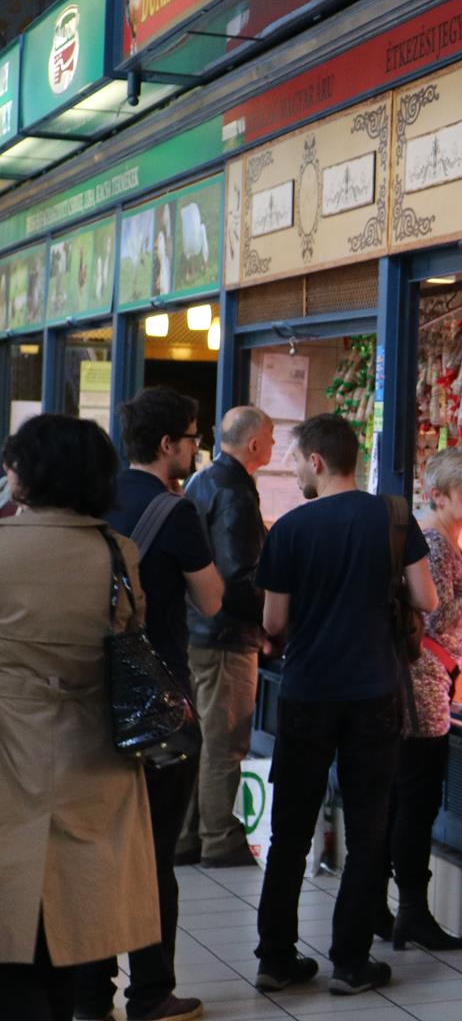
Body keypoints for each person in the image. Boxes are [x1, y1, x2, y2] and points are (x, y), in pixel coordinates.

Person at [254, 414, 436, 997]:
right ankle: (351, 963)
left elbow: (273, 622)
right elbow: (427, 598)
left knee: (290, 831)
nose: (293, 470)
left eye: (294, 460)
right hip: (374, 691)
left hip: (307, 690)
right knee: (368, 829)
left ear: (316, 461)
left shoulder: (289, 528)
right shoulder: (395, 517)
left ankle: (276, 958)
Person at [0, 416, 161, 1021]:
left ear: (27, 473)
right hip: (89, 750)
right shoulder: (117, 553)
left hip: (7, 744)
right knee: (71, 920)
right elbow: (129, 637)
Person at [75, 389, 223, 1021]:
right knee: (154, 853)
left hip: (91, 701)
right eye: (192, 438)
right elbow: (212, 601)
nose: (196, 448)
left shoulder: (93, 501)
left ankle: (90, 994)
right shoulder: (176, 511)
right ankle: (152, 992)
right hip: (159, 705)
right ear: (168, 445)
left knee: (97, 852)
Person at [379, 448, 462, 950]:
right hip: (422, 685)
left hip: (428, 679)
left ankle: (386, 908)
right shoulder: (433, 541)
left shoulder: (445, 539)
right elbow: (436, 615)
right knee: (417, 796)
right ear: (437, 495)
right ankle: (410, 910)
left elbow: (444, 612)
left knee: (407, 796)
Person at [177, 405, 275, 869]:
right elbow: (240, 576)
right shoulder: (235, 492)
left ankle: (186, 837)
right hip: (226, 637)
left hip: (197, 630)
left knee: (201, 739)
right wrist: (272, 621)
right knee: (225, 742)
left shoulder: (203, 480)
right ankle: (219, 838)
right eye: (271, 437)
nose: (274, 445)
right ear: (254, 444)